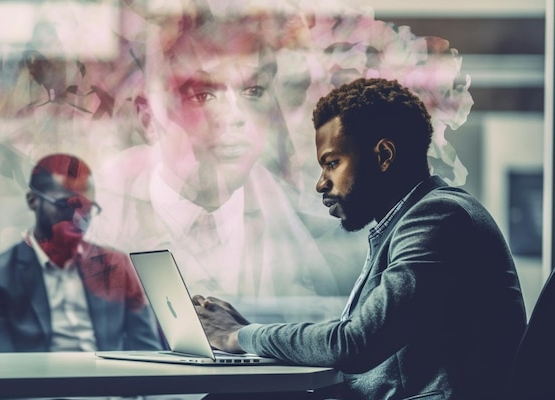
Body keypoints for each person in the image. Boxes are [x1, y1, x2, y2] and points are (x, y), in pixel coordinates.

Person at [193, 78, 527, 399]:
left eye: (332, 163)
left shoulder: (438, 218)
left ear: (383, 156)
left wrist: (237, 335)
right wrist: (248, 333)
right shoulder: (408, 221)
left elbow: (355, 343)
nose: (321, 184)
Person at [91, 19, 344, 321]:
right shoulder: (96, 222)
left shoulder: (313, 228)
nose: (234, 116)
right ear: (148, 117)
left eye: (253, 91)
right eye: (202, 95)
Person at [0, 153, 162, 353]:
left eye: (86, 207)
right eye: (66, 205)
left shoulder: (115, 267)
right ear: (33, 201)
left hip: (107, 382)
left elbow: (149, 351)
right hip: (36, 383)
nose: (78, 217)